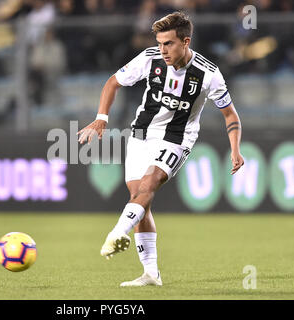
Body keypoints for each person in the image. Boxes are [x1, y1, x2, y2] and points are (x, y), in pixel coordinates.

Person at [77, 11, 244, 287]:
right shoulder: (149, 59)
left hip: (177, 139)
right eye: (160, 43)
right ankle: (151, 273)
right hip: (141, 135)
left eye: (169, 43)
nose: (163, 50)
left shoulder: (209, 74)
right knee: (139, 199)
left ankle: (118, 233)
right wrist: (101, 119)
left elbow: (230, 115)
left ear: (186, 41)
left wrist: (235, 149)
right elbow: (113, 82)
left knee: (149, 183)